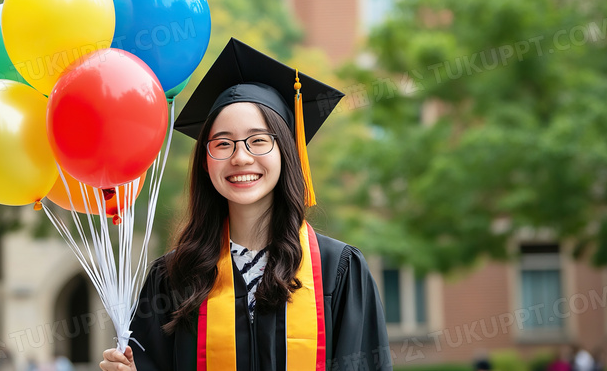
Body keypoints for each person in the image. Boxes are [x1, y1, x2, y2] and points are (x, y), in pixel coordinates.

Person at [99, 38, 391, 371]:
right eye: (223, 144)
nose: (240, 157)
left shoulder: (339, 271)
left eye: (258, 141)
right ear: (205, 161)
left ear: (287, 152)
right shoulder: (172, 278)